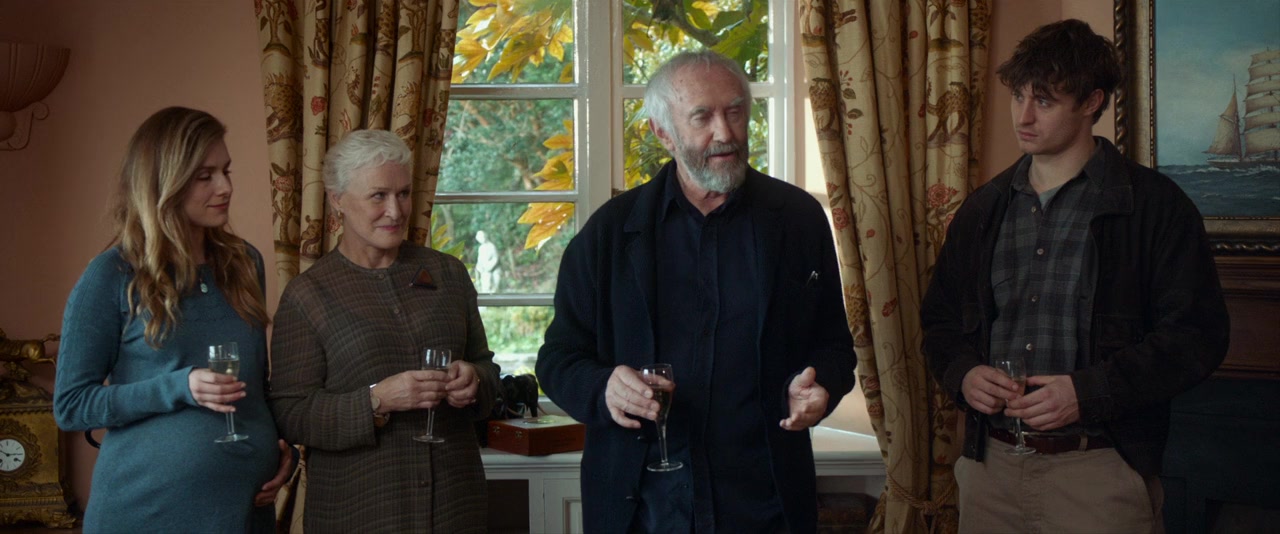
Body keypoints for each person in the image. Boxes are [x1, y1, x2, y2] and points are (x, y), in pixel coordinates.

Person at [921, 19, 1230, 533]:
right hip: (989, 469)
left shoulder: (1155, 206)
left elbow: (1197, 336)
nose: (1023, 116)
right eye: (1018, 96)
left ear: (1092, 102)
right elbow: (940, 322)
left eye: (1044, 101)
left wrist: (1090, 391)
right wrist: (963, 374)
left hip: (1100, 473)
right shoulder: (984, 209)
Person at [536, 50, 856, 533]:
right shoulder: (610, 233)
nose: (725, 132)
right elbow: (558, 359)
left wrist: (822, 387)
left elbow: (834, 346)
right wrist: (604, 387)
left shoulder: (798, 220)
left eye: (735, 112)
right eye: (702, 117)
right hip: (641, 509)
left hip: (764, 504)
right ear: (663, 133)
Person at [54, 107, 293, 533]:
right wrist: (178, 386)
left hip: (242, 513)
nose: (225, 187)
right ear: (164, 183)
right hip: (146, 512)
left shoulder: (244, 262)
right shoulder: (112, 275)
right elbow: (72, 406)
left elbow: (255, 385)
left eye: (226, 171)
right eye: (204, 176)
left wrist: (281, 448)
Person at [268, 129, 500, 533]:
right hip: (360, 513)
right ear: (337, 199)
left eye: (404, 194)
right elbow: (291, 415)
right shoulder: (308, 295)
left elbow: (488, 370)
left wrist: (475, 380)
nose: (395, 210)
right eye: (378, 196)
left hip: (456, 509)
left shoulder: (448, 274)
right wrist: (376, 401)